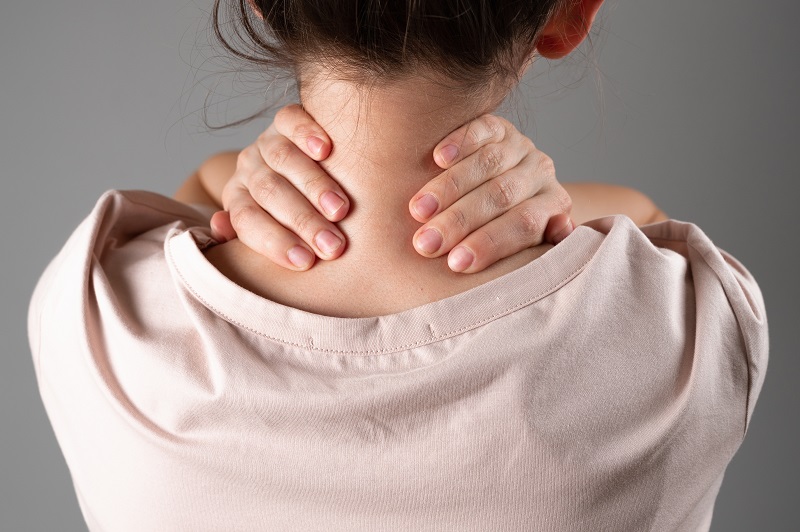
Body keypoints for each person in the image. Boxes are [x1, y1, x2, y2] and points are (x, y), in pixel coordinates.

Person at [27, 1, 768, 531]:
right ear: (571, 15)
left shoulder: (98, 312)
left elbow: (194, 216)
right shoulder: (688, 332)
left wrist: (230, 173)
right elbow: (645, 223)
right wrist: (548, 195)